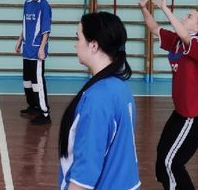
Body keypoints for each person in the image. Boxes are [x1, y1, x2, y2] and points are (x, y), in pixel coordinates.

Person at [140, 0, 198, 190]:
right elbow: (154, 28)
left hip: (195, 116)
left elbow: (183, 33)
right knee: (163, 153)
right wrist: (144, 8)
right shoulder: (177, 41)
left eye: (189, 16)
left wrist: (165, 8)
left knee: (171, 162)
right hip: (181, 112)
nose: (184, 17)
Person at [58, 11, 139, 190]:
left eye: (78, 38)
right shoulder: (121, 88)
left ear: (93, 45)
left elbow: (84, 175)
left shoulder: (97, 98)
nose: (75, 44)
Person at [15, 0, 52, 125]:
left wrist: (42, 48)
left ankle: (44, 113)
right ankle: (33, 105)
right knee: (27, 80)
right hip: (27, 48)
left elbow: (46, 31)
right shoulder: (27, 3)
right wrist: (19, 41)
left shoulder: (44, 6)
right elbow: (25, 25)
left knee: (38, 82)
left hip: (37, 50)